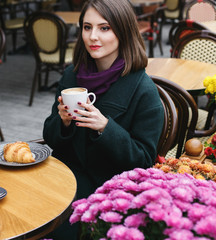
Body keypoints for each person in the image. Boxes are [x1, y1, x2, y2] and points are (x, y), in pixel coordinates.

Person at [43, 0, 164, 238]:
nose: (92, 37)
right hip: (63, 177)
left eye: (104, 28)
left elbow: (144, 162)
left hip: (108, 190)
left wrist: (106, 128)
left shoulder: (143, 91)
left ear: (124, 31)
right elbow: (50, 136)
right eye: (87, 27)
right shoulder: (72, 75)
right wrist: (63, 122)